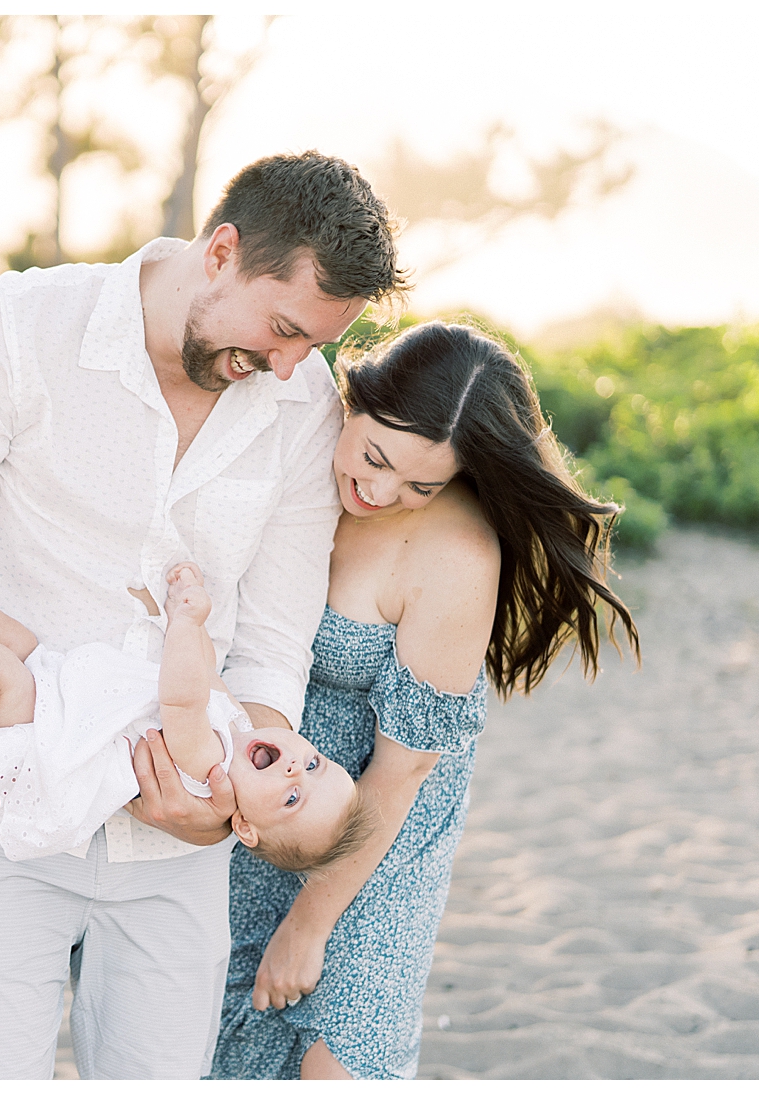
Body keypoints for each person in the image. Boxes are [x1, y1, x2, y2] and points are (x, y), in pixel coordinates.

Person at [0, 151, 405, 1079]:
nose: (294, 365)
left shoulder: (301, 405)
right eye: (284, 327)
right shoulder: (16, 330)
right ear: (220, 251)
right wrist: (0, 771)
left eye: (318, 346)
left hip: (176, 857)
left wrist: (215, 808)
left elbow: (268, 647)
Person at [131, 320, 640, 1080]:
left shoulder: (457, 554)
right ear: (354, 397)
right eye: (375, 457)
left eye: (421, 485)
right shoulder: (293, 451)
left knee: (339, 1058)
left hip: (377, 830)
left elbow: (401, 775)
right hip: (264, 789)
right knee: (217, 1047)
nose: (381, 491)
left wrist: (309, 923)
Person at [0, 542, 372, 869]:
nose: (293, 773)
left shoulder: (208, 769)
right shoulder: (236, 729)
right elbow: (209, 675)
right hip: (74, 691)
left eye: (291, 799)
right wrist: (181, 610)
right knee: (20, 643)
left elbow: (183, 699)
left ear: (244, 828)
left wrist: (186, 625)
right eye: (313, 764)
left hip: (57, 727)